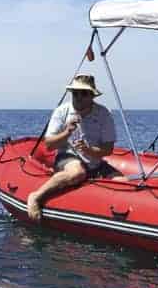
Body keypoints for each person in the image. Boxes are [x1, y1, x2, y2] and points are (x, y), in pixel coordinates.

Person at [26, 74, 119, 220]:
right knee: (77, 172)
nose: (79, 97)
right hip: (68, 156)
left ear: (92, 96)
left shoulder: (103, 114)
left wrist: (88, 150)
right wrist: (67, 132)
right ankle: (36, 197)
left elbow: (108, 149)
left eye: (84, 93)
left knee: (124, 183)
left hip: (94, 160)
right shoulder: (62, 112)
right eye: (75, 93)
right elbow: (49, 145)